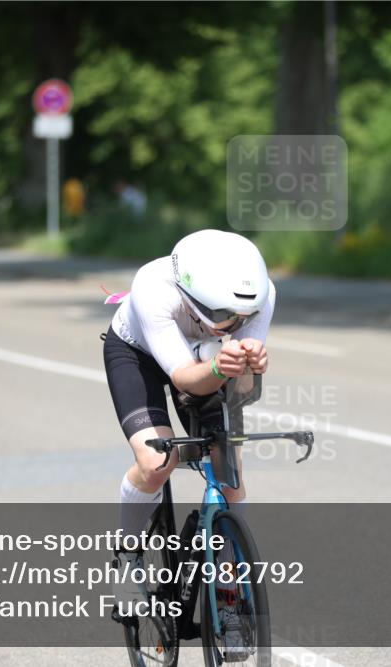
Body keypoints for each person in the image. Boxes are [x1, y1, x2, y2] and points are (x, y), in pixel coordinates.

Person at [102, 229, 275, 610]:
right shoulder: (154, 288)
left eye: (244, 318)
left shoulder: (260, 296)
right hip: (139, 355)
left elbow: (241, 390)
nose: (234, 323)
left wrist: (250, 367)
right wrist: (218, 364)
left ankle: (227, 571)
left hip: (205, 359)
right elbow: (184, 379)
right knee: (157, 462)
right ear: (191, 297)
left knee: (230, 472)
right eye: (224, 316)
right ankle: (127, 558)